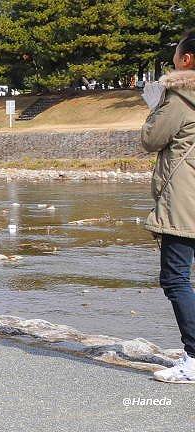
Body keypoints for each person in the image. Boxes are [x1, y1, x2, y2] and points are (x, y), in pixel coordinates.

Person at [141, 30, 195, 383]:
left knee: (175, 279)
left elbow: (151, 139)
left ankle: (193, 357)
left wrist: (155, 105)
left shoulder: (179, 97)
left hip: (184, 201)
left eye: (177, 54)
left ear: (186, 59)